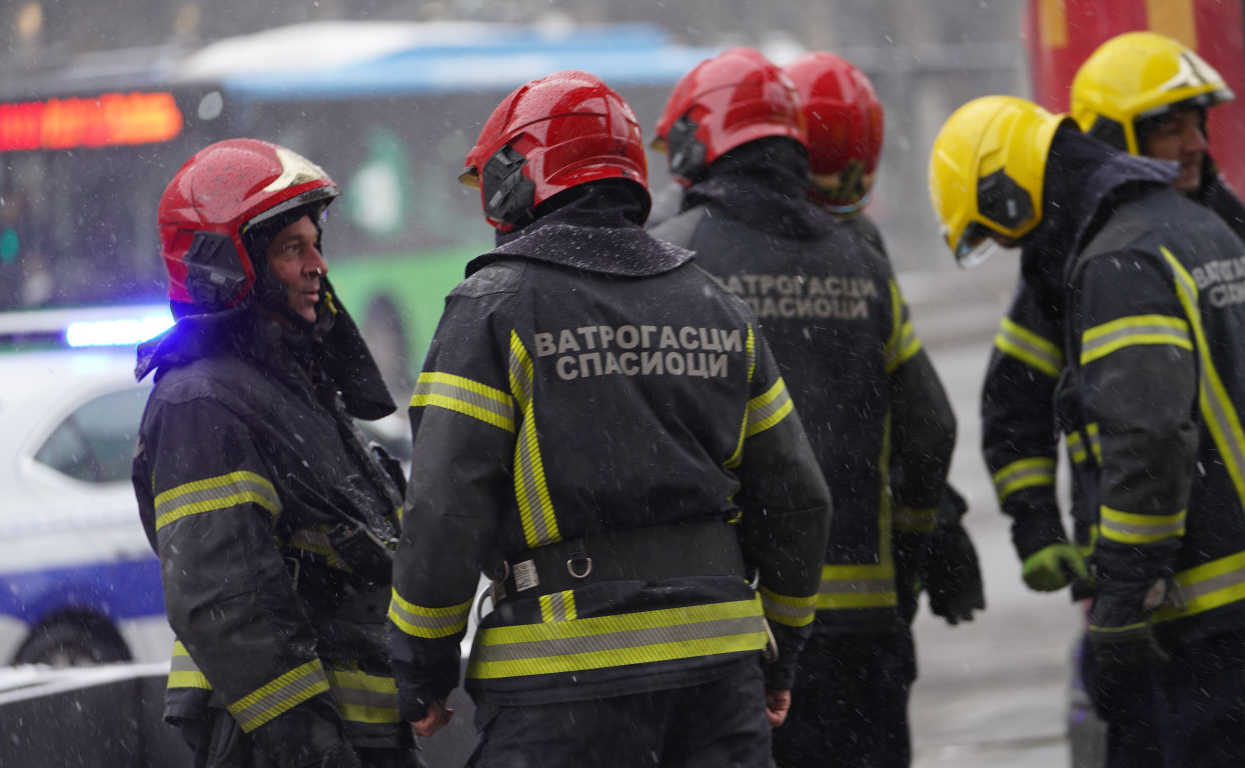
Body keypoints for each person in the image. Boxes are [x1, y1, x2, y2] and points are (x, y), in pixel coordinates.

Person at [385, 69, 831, 767]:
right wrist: (783, 651)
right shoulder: (717, 307)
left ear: (516, 179)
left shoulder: (492, 308)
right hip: (720, 681)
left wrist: (421, 666)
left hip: (561, 684)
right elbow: (798, 499)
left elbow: (444, 507)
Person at [648, 47, 969, 768]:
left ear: (699, 142)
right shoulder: (862, 261)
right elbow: (930, 428)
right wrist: (914, 551)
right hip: (865, 626)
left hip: (738, 629)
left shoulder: (674, 256)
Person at [930, 94, 1245, 768]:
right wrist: (1036, 521)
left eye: (998, 230)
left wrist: (1125, 593)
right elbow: (1019, 402)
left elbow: (1149, 438)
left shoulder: (1118, 261)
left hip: (1204, 618)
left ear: (1009, 194)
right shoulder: (1198, 226)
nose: (1013, 248)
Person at [133, 138, 419, 768]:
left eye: (316, 243)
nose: (318, 264)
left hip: (359, 737)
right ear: (227, 267)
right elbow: (227, 604)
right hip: (280, 748)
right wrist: (316, 752)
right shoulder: (201, 403)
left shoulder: (293, 383)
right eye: (293, 249)